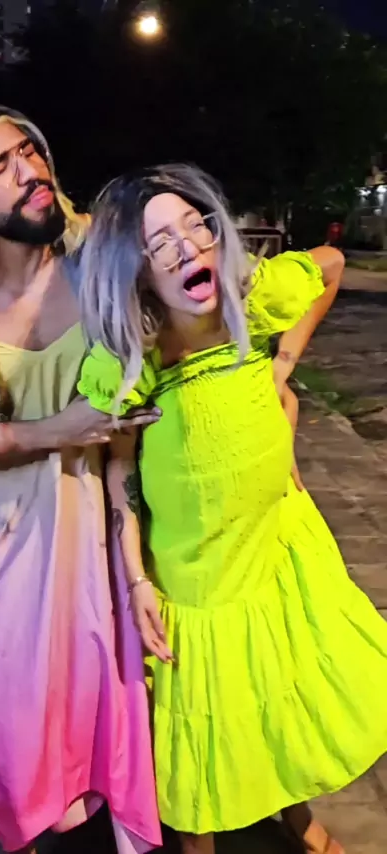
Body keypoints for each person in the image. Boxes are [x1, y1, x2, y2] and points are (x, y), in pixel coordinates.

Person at [77, 163, 387, 854]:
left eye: (196, 226)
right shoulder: (135, 358)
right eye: (161, 241)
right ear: (135, 271)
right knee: (203, 735)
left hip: (272, 545)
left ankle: (298, 819)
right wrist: (137, 580)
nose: (188, 246)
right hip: (196, 582)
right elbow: (118, 471)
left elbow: (330, 265)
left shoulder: (253, 299)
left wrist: (282, 366)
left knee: (279, 691)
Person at [0, 106, 162, 854]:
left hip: (105, 537)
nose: (31, 173)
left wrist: (273, 377)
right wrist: (54, 431)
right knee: (25, 750)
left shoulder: (97, 264)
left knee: (117, 737)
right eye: (1, 166)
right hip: (8, 552)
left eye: (30, 152)